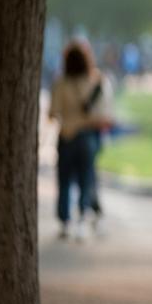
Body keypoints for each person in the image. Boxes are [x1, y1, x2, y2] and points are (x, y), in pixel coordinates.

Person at [49, 40, 114, 241]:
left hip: (67, 136)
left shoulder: (60, 84)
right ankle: (83, 217)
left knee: (64, 179)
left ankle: (65, 221)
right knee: (87, 178)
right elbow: (106, 116)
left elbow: (53, 113)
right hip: (88, 136)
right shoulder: (97, 82)